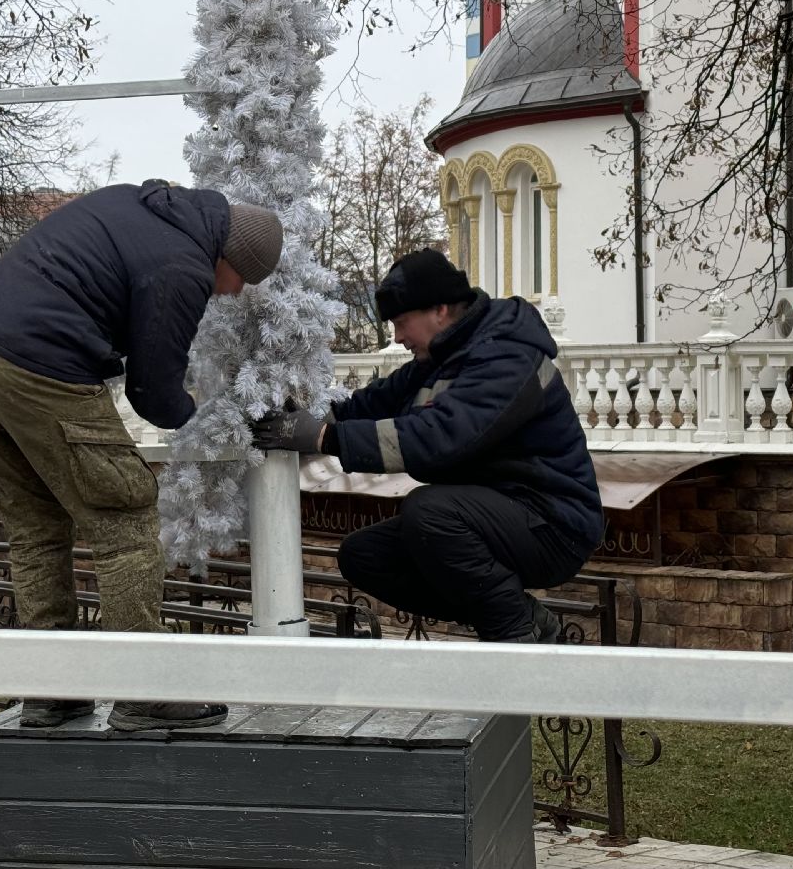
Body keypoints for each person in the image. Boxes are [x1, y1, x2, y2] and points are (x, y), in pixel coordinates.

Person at [0, 179, 282, 729]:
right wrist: (206, 415)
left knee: (36, 525)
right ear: (229, 256)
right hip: (42, 363)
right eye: (240, 279)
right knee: (124, 514)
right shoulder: (185, 266)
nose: (232, 293)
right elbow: (151, 392)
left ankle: (52, 692)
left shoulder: (139, 205)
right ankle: (144, 690)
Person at [252, 249, 602, 643]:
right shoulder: (443, 357)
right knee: (364, 556)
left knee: (429, 511)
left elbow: (439, 437)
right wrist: (298, 414)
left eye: (402, 323)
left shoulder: (507, 356)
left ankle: (514, 634)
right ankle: (516, 613)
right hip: (497, 513)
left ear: (439, 309)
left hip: (554, 523)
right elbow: (368, 404)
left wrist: (321, 437)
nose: (398, 338)